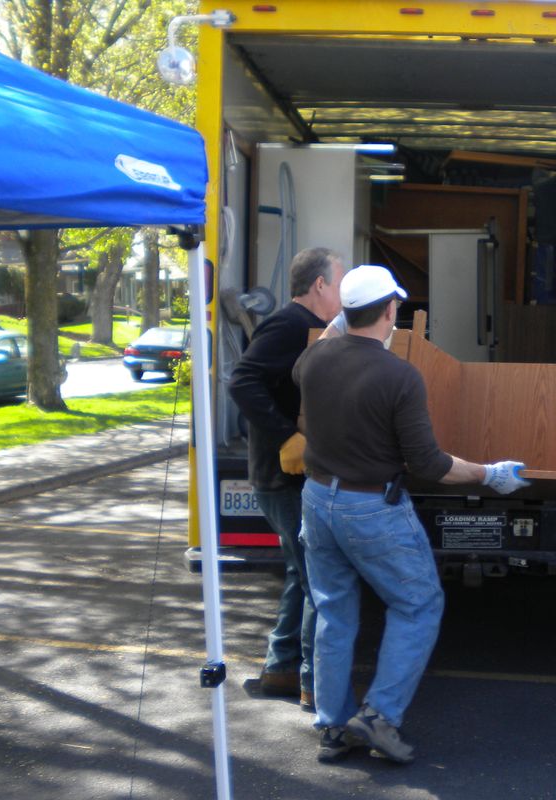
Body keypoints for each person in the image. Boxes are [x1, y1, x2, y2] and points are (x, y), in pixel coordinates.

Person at [294, 264, 530, 765]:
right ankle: (379, 718)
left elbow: (325, 345)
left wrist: (341, 323)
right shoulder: (399, 376)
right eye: (394, 306)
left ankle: (333, 728)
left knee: (333, 611)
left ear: (344, 311)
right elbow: (428, 465)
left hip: (317, 500)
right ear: (389, 310)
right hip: (370, 507)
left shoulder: (313, 362)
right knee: (418, 604)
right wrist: (489, 473)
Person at [227, 247, 346, 709]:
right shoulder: (289, 324)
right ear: (319, 285)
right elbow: (242, 381)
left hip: (289, 472)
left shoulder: (311, 329)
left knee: (301, 572)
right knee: (318, 576)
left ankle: (279, 670)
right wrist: (285, 436)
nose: (342, 293)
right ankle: (312, 684)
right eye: (339, 282)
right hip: (280, 473)